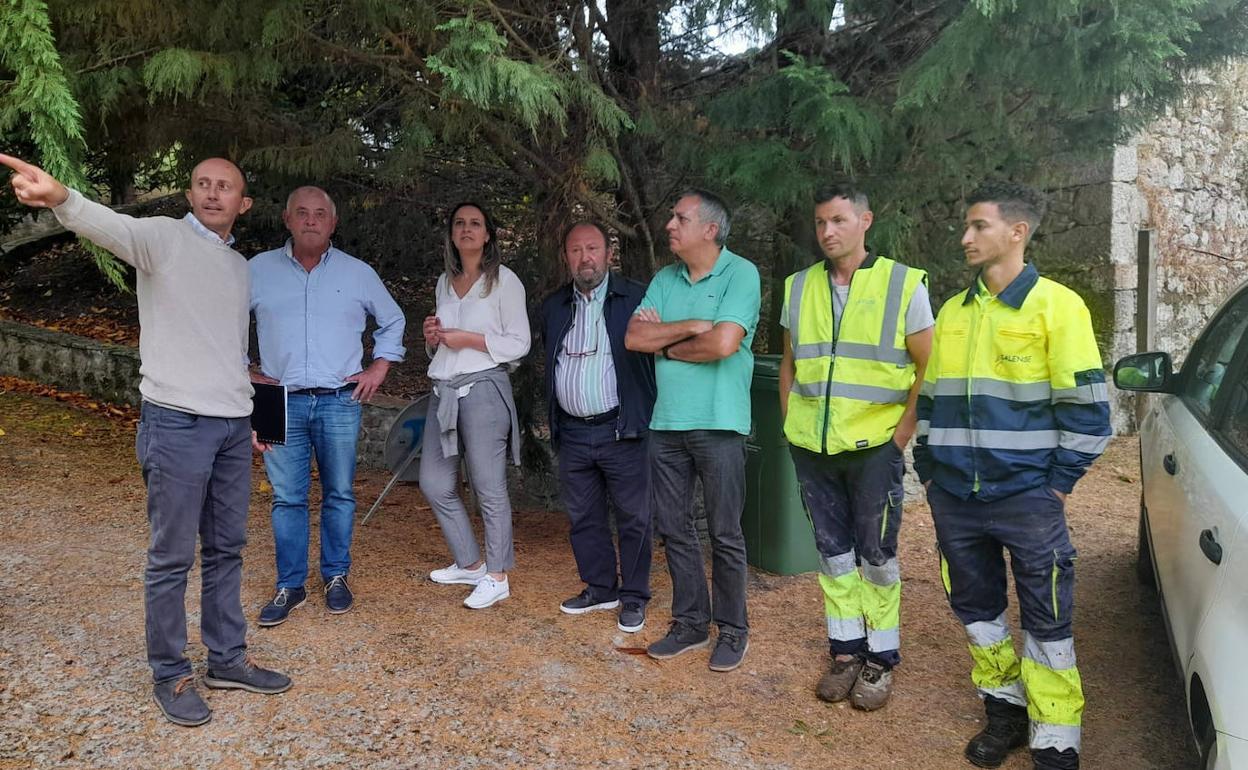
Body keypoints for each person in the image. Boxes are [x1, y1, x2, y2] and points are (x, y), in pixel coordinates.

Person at [0, 153, 291, 727]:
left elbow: (226, 347)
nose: (213, 194)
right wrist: (62, 198)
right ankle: (170, 672)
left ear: (244, 203)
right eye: (203, 184)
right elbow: (111, 226)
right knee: (170, 557)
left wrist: (254, 410)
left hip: (232, 426)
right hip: (176, 423)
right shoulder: (161, 240)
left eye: (225, 187)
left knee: (227, 550)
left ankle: (227, 659)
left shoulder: (238, 267)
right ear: (189, 194)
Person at [913, 182, 1111, 770]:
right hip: (955, 498)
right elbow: (930, 404)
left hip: (1029, 497)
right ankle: (1004, 712)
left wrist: (1055, 483)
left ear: (1017, 232)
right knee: (977, 612)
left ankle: (1056, 737)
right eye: (966, 226)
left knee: (1048, 617)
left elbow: (1090, 413)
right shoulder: (953, 311)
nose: (965, 237)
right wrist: (929, 471)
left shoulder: (1058, 305)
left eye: (978, 226)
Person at [778, 183, 933, 710]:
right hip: (813, 448)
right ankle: (845, 651)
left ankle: (882, 658)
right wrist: (790, 422)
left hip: (873, 447)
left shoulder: (902, 284)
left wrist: (901, 434)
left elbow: (929, 367)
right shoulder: (798, 286)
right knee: (834, 555)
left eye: (839, 220)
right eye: (821, 222)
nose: (827, 231)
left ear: (866, 221)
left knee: (878, 557)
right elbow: (790, 364)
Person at [249, 186, 406, 625]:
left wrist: (378, 370)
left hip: (341, 398)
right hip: (272, 399)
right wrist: (244, 369)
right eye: (302, 213)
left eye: (321, 214)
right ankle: (290, 585)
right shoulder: (257, 270)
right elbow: (223, 320)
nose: (312, 220)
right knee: (286, 498)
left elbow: (393, 320)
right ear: (287, 219)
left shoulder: (358, 273)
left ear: (333, 223)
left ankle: (336, 576)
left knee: (339, 493)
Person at [625, 189, 760, 672]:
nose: (669, 225)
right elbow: (634, 337)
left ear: (710, 228)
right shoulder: (665, 277)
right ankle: (690, 623)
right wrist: (694, 324)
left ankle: (733, 629)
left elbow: (724, 343)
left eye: (680, 217)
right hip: (667, 425)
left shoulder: (740, 273)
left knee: (725, 533)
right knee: (676, 530)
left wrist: (669, 343)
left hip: (721, 424)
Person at [538, 221, 657, 633]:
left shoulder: (637, 298)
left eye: (592, 248)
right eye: (575, 250)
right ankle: (600, 586)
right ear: (566, 257)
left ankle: (635, 595)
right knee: (583, 515)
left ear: (609, 254)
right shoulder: (555, 305)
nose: (584, 257)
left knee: (634, 516)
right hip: (572, 430)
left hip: (622, 428)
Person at [421, 202, 530, 609]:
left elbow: (520, 342)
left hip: (485, 388)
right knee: (434, 482)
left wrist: (469, 339)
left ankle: (497, 575)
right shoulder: (444, 282)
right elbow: (441, 345)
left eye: (475, 224)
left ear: (488, 235)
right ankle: (469, 562)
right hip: (443, 390)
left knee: (488, 486)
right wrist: (432, 335)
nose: (467, 229)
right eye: (460, 224)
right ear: (452, 233)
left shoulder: (504, 282)